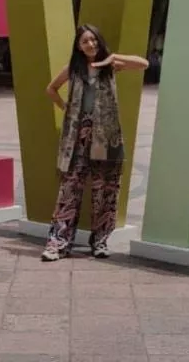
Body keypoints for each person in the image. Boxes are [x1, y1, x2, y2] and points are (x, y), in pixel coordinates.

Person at [40, 24, 149, 261]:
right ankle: (58, 242)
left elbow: (143, 64)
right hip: (77, 137)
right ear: (78, 46)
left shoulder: (110, 66)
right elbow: (51, 89)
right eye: (85, 42)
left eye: (94, 41)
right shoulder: (74, 68)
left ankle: (100, 241)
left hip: (105, 135)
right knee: (69, 190)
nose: (91, 45)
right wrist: (66, 107)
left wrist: (113, 57)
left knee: (105, 190)